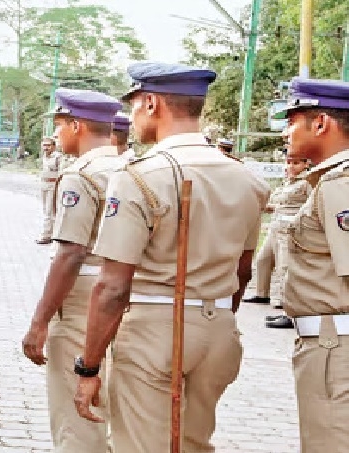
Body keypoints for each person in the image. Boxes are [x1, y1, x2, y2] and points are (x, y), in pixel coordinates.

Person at [72, 62, 269, 451]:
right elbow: (243, 272)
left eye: (132, 106)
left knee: (141, 445)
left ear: (151, 103)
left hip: (156, 327)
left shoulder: (140, 176)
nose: (130, 118)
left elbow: (112, 286)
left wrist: (88, 366)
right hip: (219, 329)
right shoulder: (247, 178)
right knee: (193, 443)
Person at [22, 88, 124, 452]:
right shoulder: (134, 168)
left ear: (77, 126)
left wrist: (40, 321)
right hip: (128, 297)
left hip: (84, 300)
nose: (56, 135)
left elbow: (70, 254)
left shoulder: (81, 175)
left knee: (76, 415)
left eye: (60, 125)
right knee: (112, 408)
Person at [271, 77, 349, 452]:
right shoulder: (326, 182)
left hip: (338, 345)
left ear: (320, 124)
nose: (285, 132)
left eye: (292, 120)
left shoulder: (341, 183)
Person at [242, 154, 311, 329]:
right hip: (275, 225)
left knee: (285, 269)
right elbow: (278, 203)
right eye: (289, 162)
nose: (291, 166)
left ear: (305, 164)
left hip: (289, 229)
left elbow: (310, 207)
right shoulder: (287, 181)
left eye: (296, 163)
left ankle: (289, 309)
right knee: (263, 261)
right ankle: (262, 294)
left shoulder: (308, 182)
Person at [36, 137, 62, 245]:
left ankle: (46, 235)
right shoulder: (44, 157)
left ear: (54, 146)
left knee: (49, 211)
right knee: (45, 210)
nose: (46, 147)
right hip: (44, 184)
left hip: (53, 185)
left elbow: (61, 173)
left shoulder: (58, 157)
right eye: (44, 145)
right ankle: (51, 233)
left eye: (48, 145)